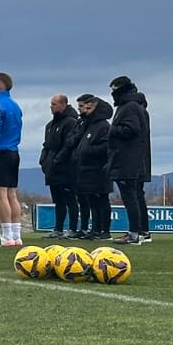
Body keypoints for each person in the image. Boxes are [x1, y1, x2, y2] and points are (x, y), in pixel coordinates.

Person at [108, 75, 152, 244]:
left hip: (127, 159)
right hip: (133, 158)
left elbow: (131, 129)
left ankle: (134, 233)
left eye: (113, 90)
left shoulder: (129, 107)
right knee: (135, 196)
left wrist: (113, 130)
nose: (112, 94)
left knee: (130, 197)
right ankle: (141, 231)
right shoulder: (135, 106)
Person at [40, 94, 81, 239]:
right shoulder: (50, 125)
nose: (52, 107)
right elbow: (47, 145)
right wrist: (44, 161)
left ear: (64, 105)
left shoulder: (70, 122)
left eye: (55, 104)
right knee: (58, 201)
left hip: (66, 170)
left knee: (70, 200)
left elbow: (68, 145)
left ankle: (72, 229)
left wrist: (58, 160)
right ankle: (58, 228)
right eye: (51, 104)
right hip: (52, 170)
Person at [73, 93, 113, 239]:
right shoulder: (89, 125)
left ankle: (105, 231)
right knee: (93, 202)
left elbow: (106, 147)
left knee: (102, 201)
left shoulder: (103, 126)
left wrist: (87, 150)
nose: (85, 111)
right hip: (87, 170)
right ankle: (95, 229)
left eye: (89, 108)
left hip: (98, 170)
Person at [0, 71, 25, 246]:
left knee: (0, 194)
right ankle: (17, 235)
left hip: (1, 152)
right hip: (14, 152)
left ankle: (6, 235)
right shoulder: (15, 105)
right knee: (12, 194)